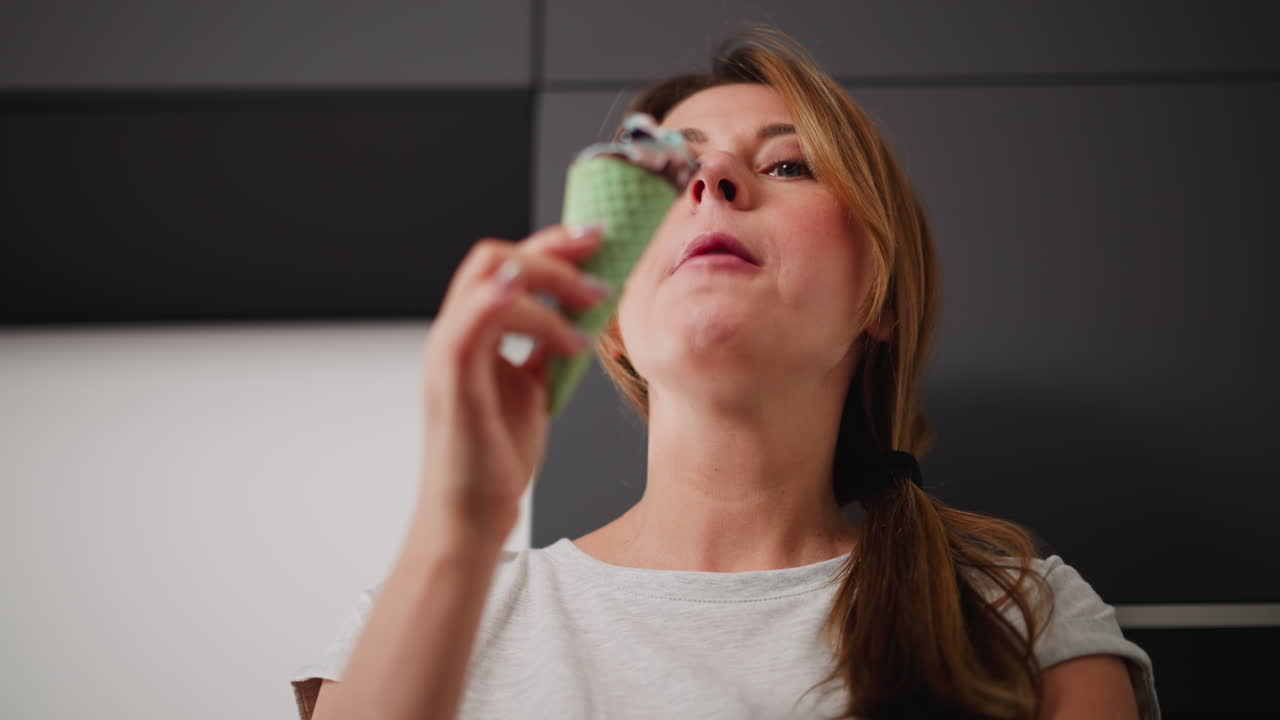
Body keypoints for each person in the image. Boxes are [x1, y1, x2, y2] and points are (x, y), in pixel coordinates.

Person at [290, 25, 1160, 720]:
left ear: (880, 295)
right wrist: (461, 523)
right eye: (668, 173)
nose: (709, 179)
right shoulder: (427, 624)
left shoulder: (1020, 620)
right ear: (614, 321)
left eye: (786, 163)